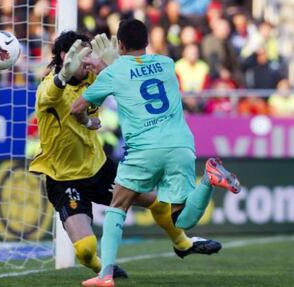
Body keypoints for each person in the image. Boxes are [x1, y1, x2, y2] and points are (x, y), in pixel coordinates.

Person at [29, 31, 222, 280]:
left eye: (90, 53)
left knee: (156, 201)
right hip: (63, 179)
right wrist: (64, 76)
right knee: (85, 250)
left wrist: (114, 63)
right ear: (66, 57)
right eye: (82, 54)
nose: (88, 60)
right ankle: (101, 268)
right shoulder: (49, 86)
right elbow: (49, 95)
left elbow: (134, 83)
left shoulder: (93, 78)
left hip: (98, 169)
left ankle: (183, 244)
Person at [72, 19, 241, 287]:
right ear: (148, 41)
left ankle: (105, 276)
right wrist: (110, 68)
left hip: (144, 149)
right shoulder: (167, 63)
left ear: (120, 44)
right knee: (182, 219)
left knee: (118, 206)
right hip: (181, 146)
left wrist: (88, 121)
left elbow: (76, 107)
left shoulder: (113, 74)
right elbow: (136, 75)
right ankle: (208, 179)